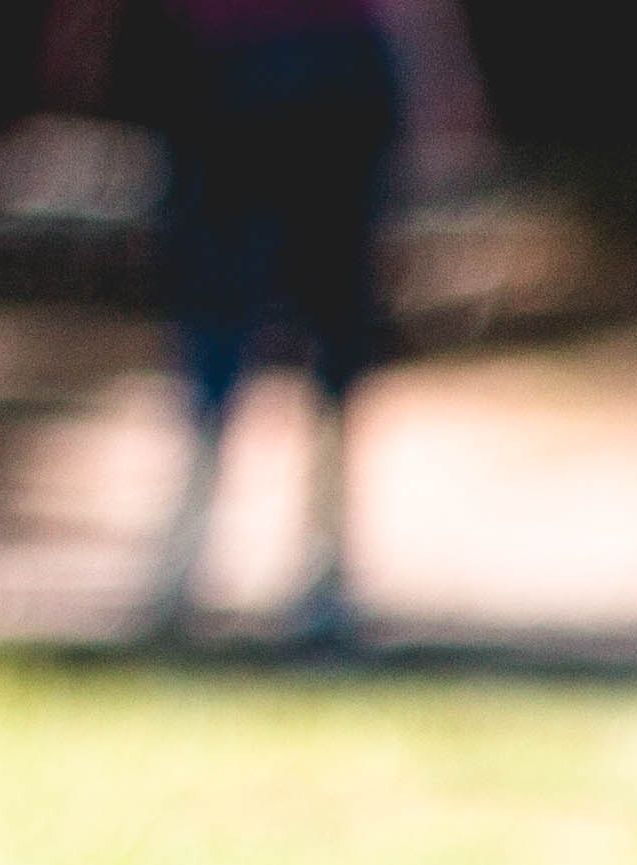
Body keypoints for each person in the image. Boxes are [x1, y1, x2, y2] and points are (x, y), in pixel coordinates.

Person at [53, 0, 481, 647]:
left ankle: (188, 562)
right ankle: (322, 567)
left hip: (234, 68)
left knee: (219, 311)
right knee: (333, 314)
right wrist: (445, 84)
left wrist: (82, 37)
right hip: (331, 69)